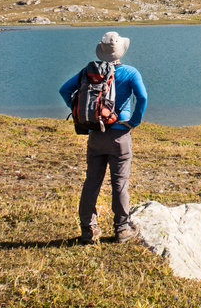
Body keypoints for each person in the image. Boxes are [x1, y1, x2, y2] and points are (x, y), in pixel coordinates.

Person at [59, 31, 148, 244]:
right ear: (120, 51)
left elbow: (64, 90)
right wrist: (134, 121)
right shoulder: (130, 72)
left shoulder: (88, 72)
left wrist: (81, 114)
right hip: (119, 135)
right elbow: (142, 97)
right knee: (119, 183)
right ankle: (122, 229)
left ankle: (88, 230)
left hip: (95, 134)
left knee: (92, 181)